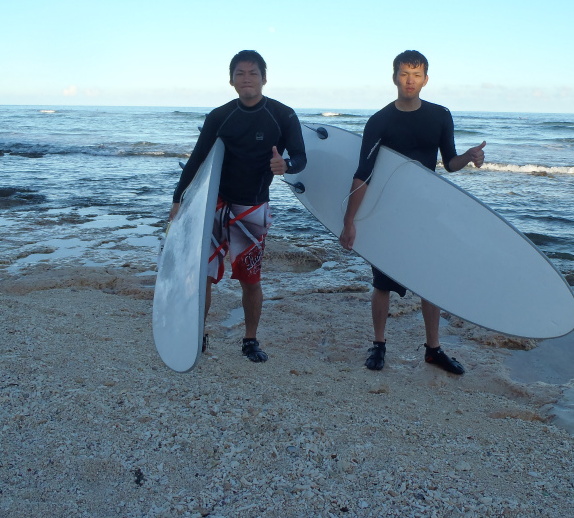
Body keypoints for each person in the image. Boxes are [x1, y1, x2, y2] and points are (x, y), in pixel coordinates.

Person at [339, 50, 486, 374]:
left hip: (425, 211)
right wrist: (349, 221)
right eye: (404, 74)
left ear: (426, 79)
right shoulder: (380, 121)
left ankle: (433, 349)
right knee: (381, 282)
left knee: (429, 280)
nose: (410, 80)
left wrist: (469, 156)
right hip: (387, 211)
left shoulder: (439, 115)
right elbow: (364, 172)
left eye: (416, 75)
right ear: (394, 77)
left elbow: (449, 163)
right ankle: (378, 345)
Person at [170, 50, 306, 363]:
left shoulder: (283, 115)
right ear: (231, 80)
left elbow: (301, 157)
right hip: (214, 203)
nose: (247, 79)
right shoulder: (219, 116)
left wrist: (285, 164)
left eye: (253, 73)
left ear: (264, 78)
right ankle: (196, 332)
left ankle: (250, 339)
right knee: (202, 272)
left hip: (252, 206)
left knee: (250, 279)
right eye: (240, 73)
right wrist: (178, 198)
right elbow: (198, 159)